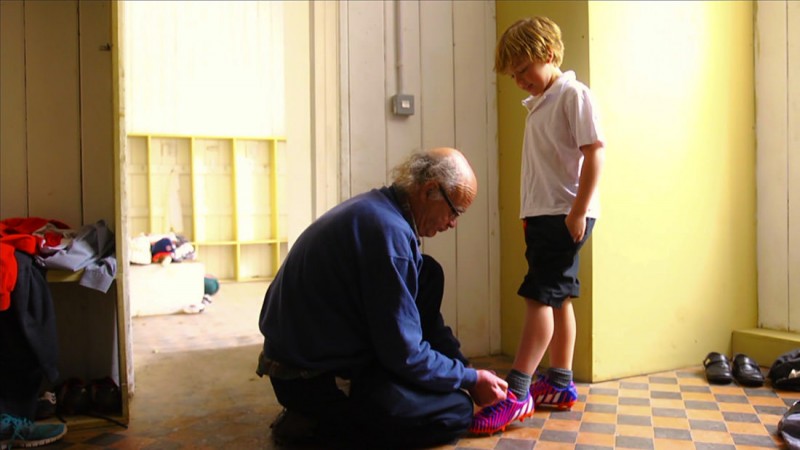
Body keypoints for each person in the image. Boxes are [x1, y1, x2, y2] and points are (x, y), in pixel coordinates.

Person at [257, 147, 509, 448]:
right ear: (429, 190)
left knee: (428, 273)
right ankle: (315, 425)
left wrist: (466, 372)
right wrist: (468, 380)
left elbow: (418, 327)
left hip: (315, 354)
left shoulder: (379, 209)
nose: (453, 223)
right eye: (455, 211)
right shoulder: (389, 236)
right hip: (309, 378)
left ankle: (337, 408)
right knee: (455, 411)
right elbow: (404, 355)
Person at [470, 16, 605, 435]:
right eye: (513, 75)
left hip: (563, 213)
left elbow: (595, 152)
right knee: (558, 297)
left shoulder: (573, 95)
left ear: (548, 54)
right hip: (544, 214)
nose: (519, 81)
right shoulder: (542, 103)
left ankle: (516, 393)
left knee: (538, 297)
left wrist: (578, 211)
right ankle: (560, 383)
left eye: (524, 69)